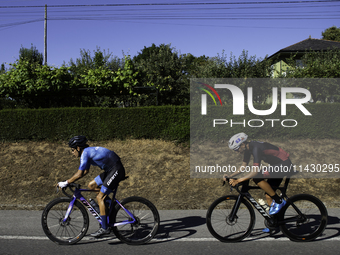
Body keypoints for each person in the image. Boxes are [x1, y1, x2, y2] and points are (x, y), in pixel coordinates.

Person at [57, 135, 126, 238]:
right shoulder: (87, 152)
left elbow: (80, 174)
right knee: (91, 185)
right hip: (111, 170)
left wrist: (66, 182)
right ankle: (107, 206)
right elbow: (85, 171)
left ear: (78, 148)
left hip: (116, 169)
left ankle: (104, 228)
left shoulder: (85, 153)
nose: (72, 152)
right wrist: (70, 181)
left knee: (99, 197)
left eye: (72, 150)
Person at [224, 133, 294, 232]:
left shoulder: (256, 148)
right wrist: (230, 176)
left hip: (284, 165)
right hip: (278, 165)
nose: (236, 152)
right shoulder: (248, 149)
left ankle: (279, 201)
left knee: (256, 177)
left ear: (243, 144)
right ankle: (274, 223)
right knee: (269, 194)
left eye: (236, 149)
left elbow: (255, 171)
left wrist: (239, 180)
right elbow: (243, 166)